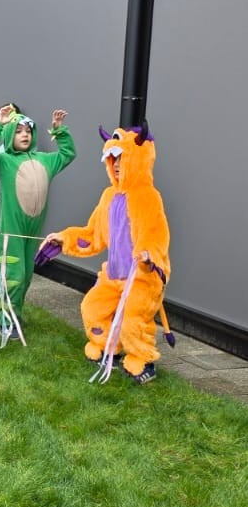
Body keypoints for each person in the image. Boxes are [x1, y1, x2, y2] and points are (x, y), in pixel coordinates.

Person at [38, 122, 168, 384]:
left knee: (133, 319)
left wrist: (148, 256)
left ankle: (144, 360)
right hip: (114, 274)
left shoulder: (148, 197)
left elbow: (158, 235)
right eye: (112, 159)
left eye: (122, 158)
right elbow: (93, 235)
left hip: (142, 276)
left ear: (139, 159)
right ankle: (111, 345)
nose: (117, 165)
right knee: (92, 308)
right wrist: (63, 239)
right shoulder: (109, 196)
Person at [0, 106, 75, 323]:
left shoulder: (45, 160)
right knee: (14, 274)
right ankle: (5, 319)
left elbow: (68, 154)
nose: (25, 134)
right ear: (9, 135)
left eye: (28, 130)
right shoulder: (5, 162)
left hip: (33, 231)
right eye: (18, 131)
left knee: (26, 276)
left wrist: (59, 131)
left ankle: (14, 311)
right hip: (13, 230)